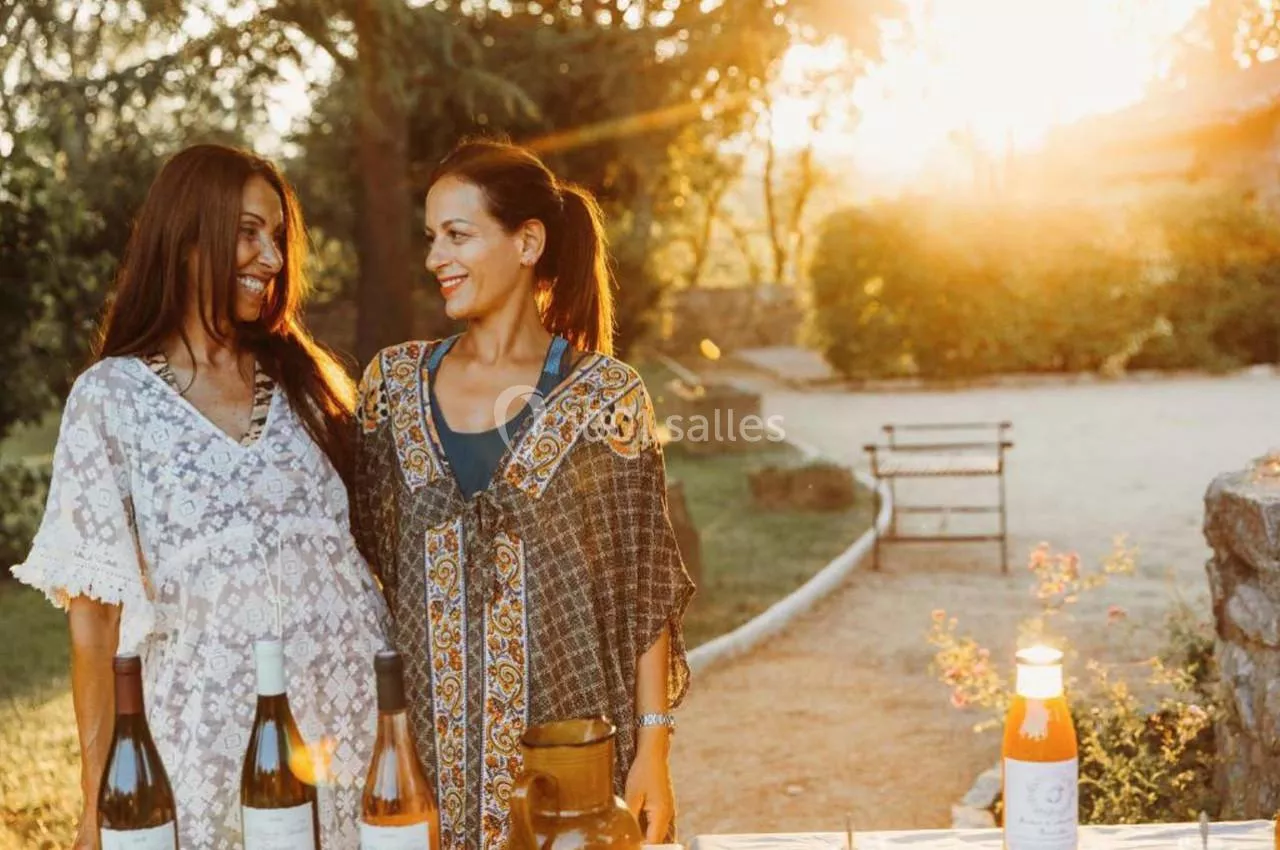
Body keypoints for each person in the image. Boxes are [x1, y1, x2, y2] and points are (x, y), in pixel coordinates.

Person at [11, 144, 389, 850]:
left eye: (276, 237)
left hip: (349, 735)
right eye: (248, 233)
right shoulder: (111, 401)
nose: (270, 258)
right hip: (207, 753)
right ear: (187, 238)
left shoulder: (309, 386)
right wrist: (97, 803)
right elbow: (94, 625)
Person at [351, 138, 696, 850]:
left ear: (527, 242)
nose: (435, 258)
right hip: (424, 779)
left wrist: (654, 754)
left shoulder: (606, 397)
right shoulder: (391, 388)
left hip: (572, 780)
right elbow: (366, 575)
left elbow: (644, 589)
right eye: (431, 238)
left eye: (457, 235)